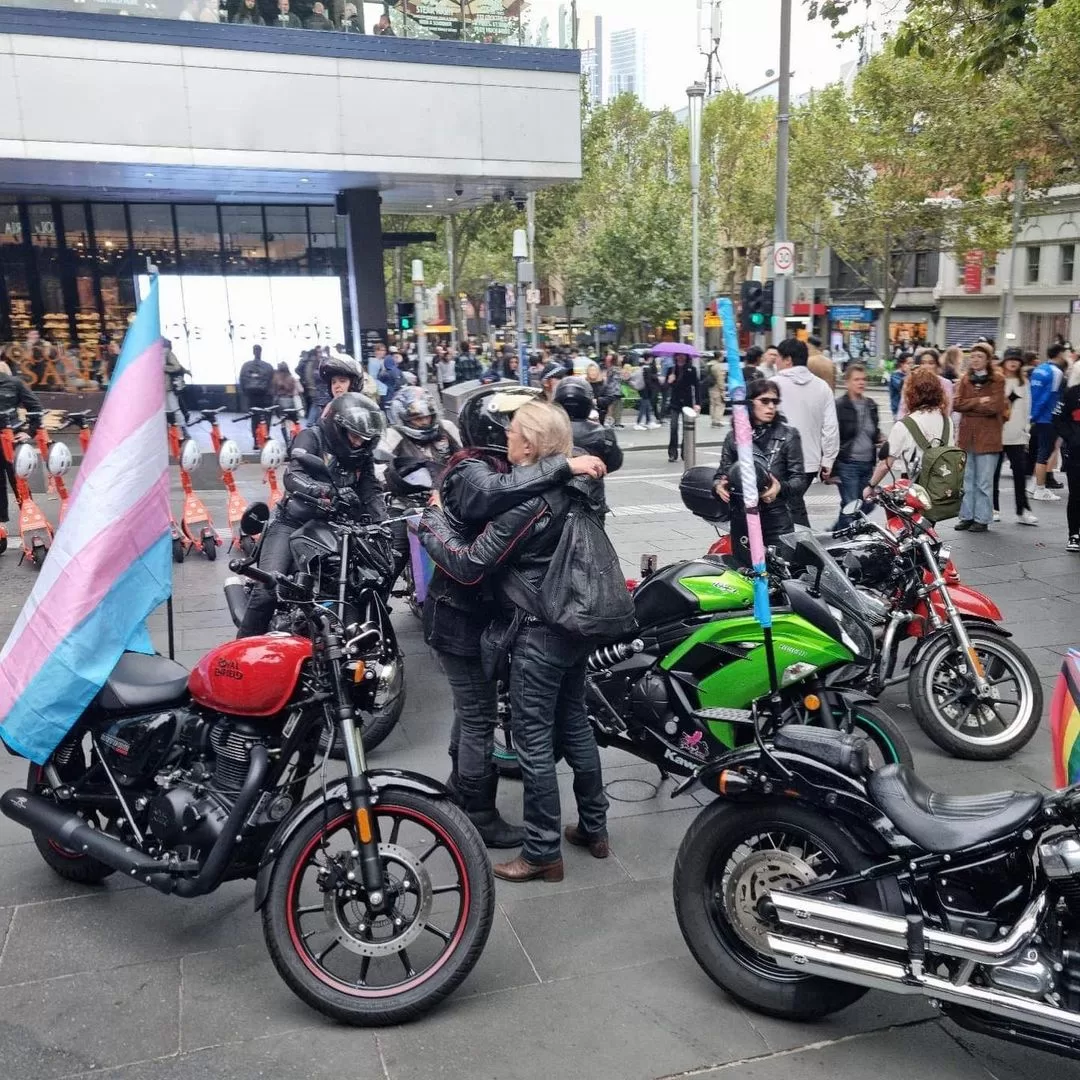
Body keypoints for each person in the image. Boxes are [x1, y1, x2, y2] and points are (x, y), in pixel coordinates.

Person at [420, 401, 610, 883]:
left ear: (529, 444)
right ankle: (595, 827)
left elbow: (468, 563)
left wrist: (431, 524)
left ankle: (542, 851)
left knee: (532, 742)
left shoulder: (532, 502)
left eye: (512, 435)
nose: (505, 440)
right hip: (576, 623)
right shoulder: (585, 484)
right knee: (576, 725)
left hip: (537, 629)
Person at [239, 394, 386, 637]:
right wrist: (322, 491)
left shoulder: (362, 454)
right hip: (292, 522)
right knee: (267, 589)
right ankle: (241, 653)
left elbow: (371, 491)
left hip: (337, 527)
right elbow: (293, 476)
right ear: (338, 428)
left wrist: (382, 522)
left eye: (365, 438)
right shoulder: (312, 437)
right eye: (355, 435)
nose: (359, 442)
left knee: (361, 582)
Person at [712, 379, 806, 566]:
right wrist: (718, 486)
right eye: (764, 401)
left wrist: (779, 488)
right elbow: (721, 473)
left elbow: (800, 480)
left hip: (776, 519)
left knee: (781, 575)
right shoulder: (735, 437)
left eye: (774, 401)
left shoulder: (788, 434)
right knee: (745, 573)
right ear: (749, 402)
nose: (771, 406)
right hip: (742, 519)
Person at [773, 337, 839, 526]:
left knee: (787, 506)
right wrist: (828, 459)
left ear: (788, 360)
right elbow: (830, 427)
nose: (776, 362)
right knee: (791, 502)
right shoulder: (822, 387)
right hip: (809, 463)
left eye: (778, 357)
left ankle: (801, 548)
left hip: (779, 460)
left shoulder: (773, 385)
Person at [865, 366, 952, 494]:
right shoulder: (946, 420)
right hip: (942, 490)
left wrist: (871, 486)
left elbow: (885, 464)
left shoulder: (904, 425)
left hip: (914, 491)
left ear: (911, 394)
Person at [952, 342, 1007, 533]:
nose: (975, 360)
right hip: (967, 436)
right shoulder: (965, 379)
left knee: (984, 481)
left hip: (989, 437)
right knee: (967, 480)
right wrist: (978, 402)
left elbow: (996, 406)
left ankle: (982, 518)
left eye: (980, 357)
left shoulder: (997, 380)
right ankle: (966, 516)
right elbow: (957, 404)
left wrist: (972, 407)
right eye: (973, 356)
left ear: (988, 359)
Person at [379, 386, 461, 487]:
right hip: (414, 494)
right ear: (404, 419)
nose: (425, 422)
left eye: (428, 417)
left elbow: (466, 454)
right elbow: (380, 471)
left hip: (452, 486)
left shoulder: (446, 427)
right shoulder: (392, 436)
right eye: (418, 419)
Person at [993, 348, 1038, 527]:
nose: (1013, 363)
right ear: (1004, 361)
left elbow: (1027, 408)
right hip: (996, 434)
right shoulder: (996, 380)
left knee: (1020, 473)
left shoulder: (1023, 382)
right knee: (993, 474)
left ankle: (1022, 510)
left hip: (1017, 436)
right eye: (1010, 359)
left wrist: (1025, 431)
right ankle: (993, 508)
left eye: (1016, 360)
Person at [833, 364, 881, 529]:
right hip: (848, 463)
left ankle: (835, 533)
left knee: (867, 503)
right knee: (852, 505)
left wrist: (880, 437)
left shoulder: (871, 405)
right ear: (847, 382)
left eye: (863, 379)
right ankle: (845, 541)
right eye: (856, 379)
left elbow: (874, 432)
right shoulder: (839, 405)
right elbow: (832, 436)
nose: (861, 383)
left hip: (867, 464)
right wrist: (830, 469)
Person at [553, 376, 623, 478]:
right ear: (588, 403)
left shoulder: (543, 432)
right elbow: (614, 463)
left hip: (551, 489)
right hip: (591, 489)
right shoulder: (604, 434)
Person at [0, 366, 41, 525]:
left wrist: (29, 432)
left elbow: (35, 408)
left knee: (20, 483)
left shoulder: (14, 383)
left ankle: (32, 523)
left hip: (11, 441)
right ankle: (1, 529)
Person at [1030, 342, 1070, 501]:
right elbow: (1049, 396)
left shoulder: (1039, 369)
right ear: (1060, 354)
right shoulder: (1056, 372)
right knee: (1045, 452)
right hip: (1048, 417)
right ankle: (1040, 488)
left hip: (1038, 416)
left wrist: (1032, 415)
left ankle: (1034, 484)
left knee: (1042, 450)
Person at [1053, 364, 1080, 551]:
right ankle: (1074, 534)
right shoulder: (1071, 393)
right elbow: (1058, 418)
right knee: (1076, 494)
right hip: (1076, 452)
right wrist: (1072, 438)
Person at [665, 353, 700, 463]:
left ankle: (685, 452)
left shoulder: (691, 369)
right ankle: (672, 453)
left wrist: (697, 403)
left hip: (687, 402)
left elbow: (697, 386)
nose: (680, 357)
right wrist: (669, 381)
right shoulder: (671, 369)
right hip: (675, 402)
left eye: (683, 355)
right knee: (673, 427)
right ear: (675, 357)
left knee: (687, 429)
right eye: (678, 355)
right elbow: (665, 387)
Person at [238, 344, 274, 442]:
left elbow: (241, 380)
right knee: (266, 418)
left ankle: (256, 440)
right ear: (261, 352)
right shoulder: (268, 366)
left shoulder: (246, 366)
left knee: (254, 418)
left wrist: (246, 394)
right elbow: (272, 382)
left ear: (253, 352)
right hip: (266, 397)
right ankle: (265, 438)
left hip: (252, 397)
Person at [889, 353, 911, 420]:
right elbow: (903, 387)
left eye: (913, 363)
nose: (911, 365)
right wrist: (909, 374)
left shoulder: (911, 375)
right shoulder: (895, 376)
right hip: (898, 411)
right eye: (909, 363)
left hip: (910, 411)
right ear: (902, 364)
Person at [707, 352, 727, 427]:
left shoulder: (709, 364)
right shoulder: (718, 366)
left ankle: (713, 419)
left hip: (710, 386)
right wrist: (722, 389)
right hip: (717, 387)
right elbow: (720, 378)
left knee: (712, 404)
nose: (723, 358)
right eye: (722, 356)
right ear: (719, 357)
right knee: (720, 404)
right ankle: (717, 420)